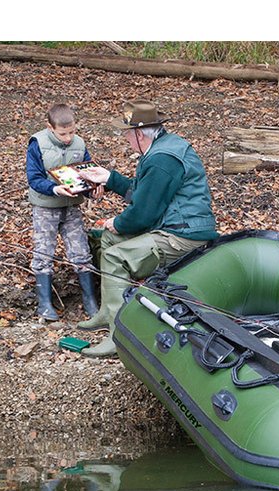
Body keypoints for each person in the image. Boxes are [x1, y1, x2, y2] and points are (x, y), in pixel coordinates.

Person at [76, 99, 219, 358]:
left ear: (139, 134)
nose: (126, 140)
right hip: (170, 224)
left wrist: (118, 222)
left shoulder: (162, 159)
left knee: (114, 255)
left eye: (127, 134)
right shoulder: (161, 147)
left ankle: (118, 336)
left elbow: (143, 213)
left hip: (182, 235)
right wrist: (109, 179)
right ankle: (108, 312)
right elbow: (144, 193)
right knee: (108, 239)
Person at [26, 103, 102, 323]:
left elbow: (86, 172)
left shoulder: (79, 143)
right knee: (43, 252)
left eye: (72, 132)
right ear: (50, 128)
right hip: (45, 206)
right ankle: (45, 304)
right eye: (63, 133)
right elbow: (34, 178)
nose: (68, 138)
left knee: (81, 251)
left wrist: (92, 191)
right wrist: (54, 188)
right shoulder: (37, 144)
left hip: (71, 206)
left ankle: (90, 302)